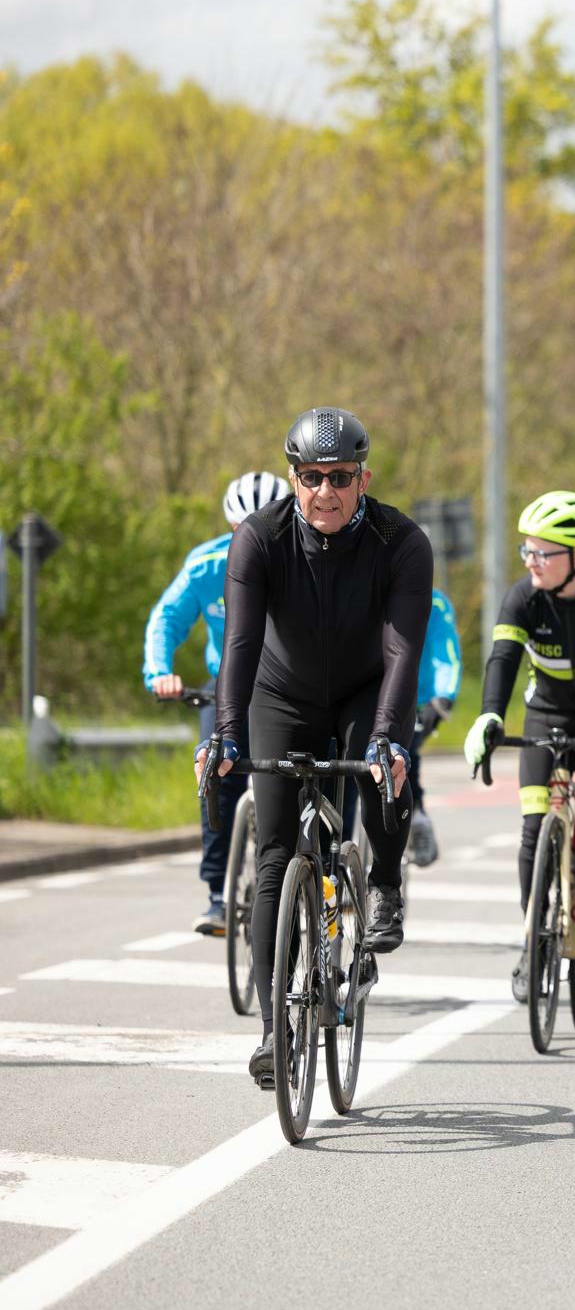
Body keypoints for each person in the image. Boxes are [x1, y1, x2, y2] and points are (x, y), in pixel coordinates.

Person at [199, 409, 431, 1089]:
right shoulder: (258, 538)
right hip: (283, 693)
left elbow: (401, 649)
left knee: (382, 774)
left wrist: (388, 736)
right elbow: (239, 645)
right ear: (293, 477)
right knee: (275, 851)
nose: (324, 491)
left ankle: (383, 882)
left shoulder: (401, 542)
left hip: (367, 689)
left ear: (364, 478)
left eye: (340, 477)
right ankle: (276, 1031)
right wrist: (226, 732)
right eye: (311, 477)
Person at [462, 491, 575, 1004]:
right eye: (528, 551)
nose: (532, 562)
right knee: (532, 823)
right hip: (545, 706)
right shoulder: (523, 596)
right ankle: (532, 947)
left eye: (544, 553)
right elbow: (501, 658)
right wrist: (490, 715)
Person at [147, 470, 290, 934]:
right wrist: (160, 672)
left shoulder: (307, 558)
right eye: (241, 532)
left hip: (292, 684)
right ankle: (217, 894)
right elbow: (166, 617)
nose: (253, 541)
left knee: (317, 768)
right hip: (227, 681)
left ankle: (325, 871)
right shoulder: (206, 565)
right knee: (216, 774)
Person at [404, 589, 462, 867]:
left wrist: (442, 697)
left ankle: (417, 816)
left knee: (404, 754)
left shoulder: (435, 602)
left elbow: (446, 650)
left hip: (419, 699)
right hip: (365, 693)